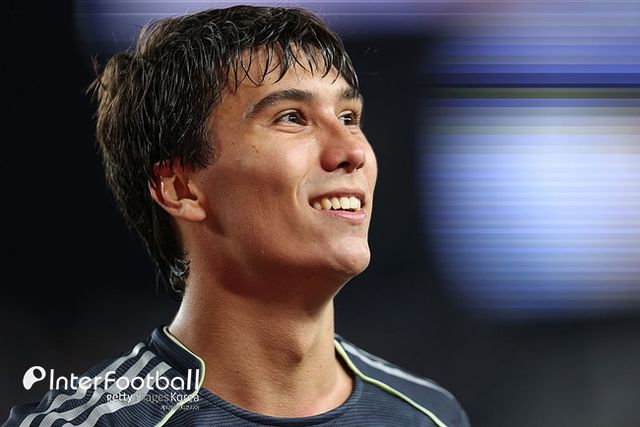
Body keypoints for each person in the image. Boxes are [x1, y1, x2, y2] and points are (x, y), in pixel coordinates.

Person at [4, 5, 469, 426]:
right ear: (181, 188)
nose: (353, 152)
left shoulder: (431, 415)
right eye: (291, 117)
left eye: (349, 118)